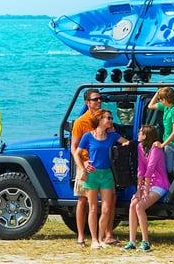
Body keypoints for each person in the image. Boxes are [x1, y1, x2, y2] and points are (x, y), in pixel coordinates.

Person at [73, 109, 129, 249]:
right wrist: (83, 167)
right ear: (99, 120)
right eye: (108, 118)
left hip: (107, 175)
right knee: (92, 208)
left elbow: (127, 143)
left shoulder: (112, 136)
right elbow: (76, 154)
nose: (110, 120)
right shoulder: (88, 136)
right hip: (93, 174)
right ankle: (93, 240)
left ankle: (100, 238)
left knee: (106, 209)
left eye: (111, 118)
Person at [123, 125, 170, 252]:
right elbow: (141, 169)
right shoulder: (140, 146)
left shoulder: (156, 148)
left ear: (145, 135)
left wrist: (146, 190)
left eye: (140, 132)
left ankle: (145, 242)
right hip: (147, 183)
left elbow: (150, 168)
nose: (138, 134)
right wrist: (139, 190)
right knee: (133, 204)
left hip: (159, 184)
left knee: (140, 206)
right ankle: (132, 241)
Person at [70, 89, 101, 247]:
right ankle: (81, 236)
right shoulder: (80, 122)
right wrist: (81, 167)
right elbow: (74, 148)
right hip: (85, 163)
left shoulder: (103, 117)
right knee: (83, 200)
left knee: (108, 199)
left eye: (100, 99)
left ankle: (105, 235)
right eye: (95, 99)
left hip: (101, 164)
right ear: (87, 103)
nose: (99, 101)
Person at [147, 87, 174, 177]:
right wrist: (158, 92)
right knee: (168, 169)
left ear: (165, 99)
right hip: (168, 143)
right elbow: (150, 106)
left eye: (160, 99)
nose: (159, 100)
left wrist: (162, 145)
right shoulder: (165, 107)